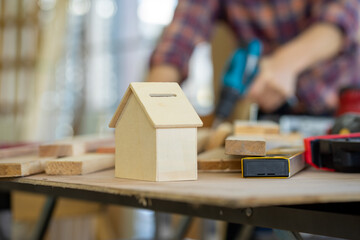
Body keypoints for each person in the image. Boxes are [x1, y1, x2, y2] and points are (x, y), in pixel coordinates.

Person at [147, 0, 359, 115]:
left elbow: (342, 17)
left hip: (342, 109)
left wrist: (284, 65)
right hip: (269, 110)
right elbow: (179, 38)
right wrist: (151, 103)